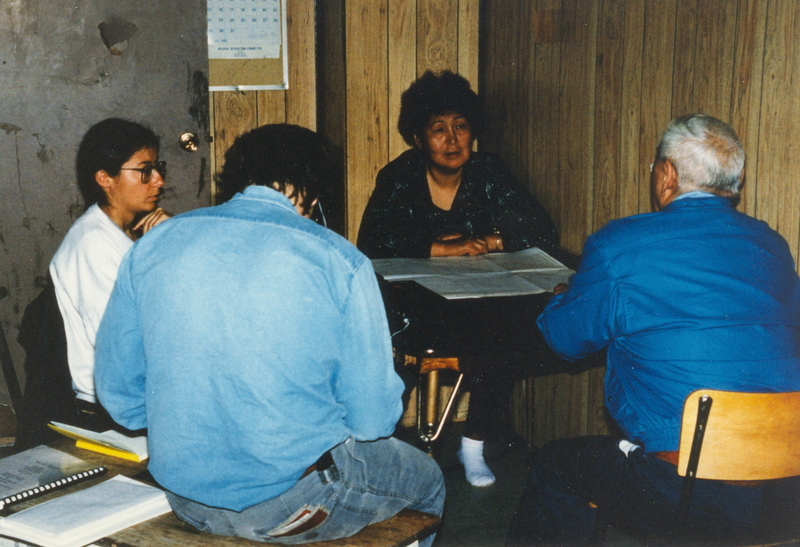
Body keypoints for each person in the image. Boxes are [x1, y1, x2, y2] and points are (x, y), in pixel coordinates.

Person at [94, 124, 445, 545]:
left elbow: (121, 397)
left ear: (237, 179)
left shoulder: (154, 243)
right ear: (313, 192)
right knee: (428, 482)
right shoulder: (339, 260)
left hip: (185, 497)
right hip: (292, 504)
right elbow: (372, 420)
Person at [506, 113, 800, 545]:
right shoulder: (772, 245)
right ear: (732, 184)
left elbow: (563, 340)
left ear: (666, 176)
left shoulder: (620, 244)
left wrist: (564, 298)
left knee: (554, 467)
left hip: (683, 489)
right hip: (785, 490)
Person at [357, 70, 558, 488]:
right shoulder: (399, 177)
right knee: (396, 345)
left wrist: (490, 238)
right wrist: (440, 248)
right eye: (438, 129)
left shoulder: (489, 171)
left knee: (507, 333)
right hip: (416, 303)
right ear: (417, 138)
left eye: (461, 127)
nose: (452, 140)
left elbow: (540, 228)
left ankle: (473, 445)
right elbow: (372, 241)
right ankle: (383, 449)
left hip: (478, 300)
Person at [48, 118, 170, 431]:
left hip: (141, 396)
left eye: (158, 168)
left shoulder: (130, 234)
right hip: (112, 414)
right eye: (144, 170)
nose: (158, 180)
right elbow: (128, 345)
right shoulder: (93, 244)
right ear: (105, 178)